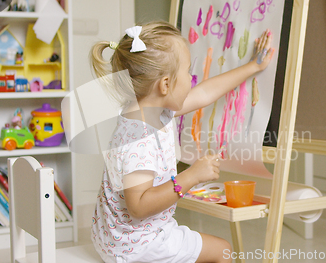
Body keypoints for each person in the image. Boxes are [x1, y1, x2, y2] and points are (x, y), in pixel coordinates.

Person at [90, 21, 273, 263]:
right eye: (187, 71)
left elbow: (205, 93)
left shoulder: (149, 110)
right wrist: (191, 176)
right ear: (165, 84)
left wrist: (252, 67)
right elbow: (139, 206)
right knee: (223, 251)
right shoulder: (140, 138)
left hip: (117, 239)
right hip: (137, 246)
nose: (191, 78)